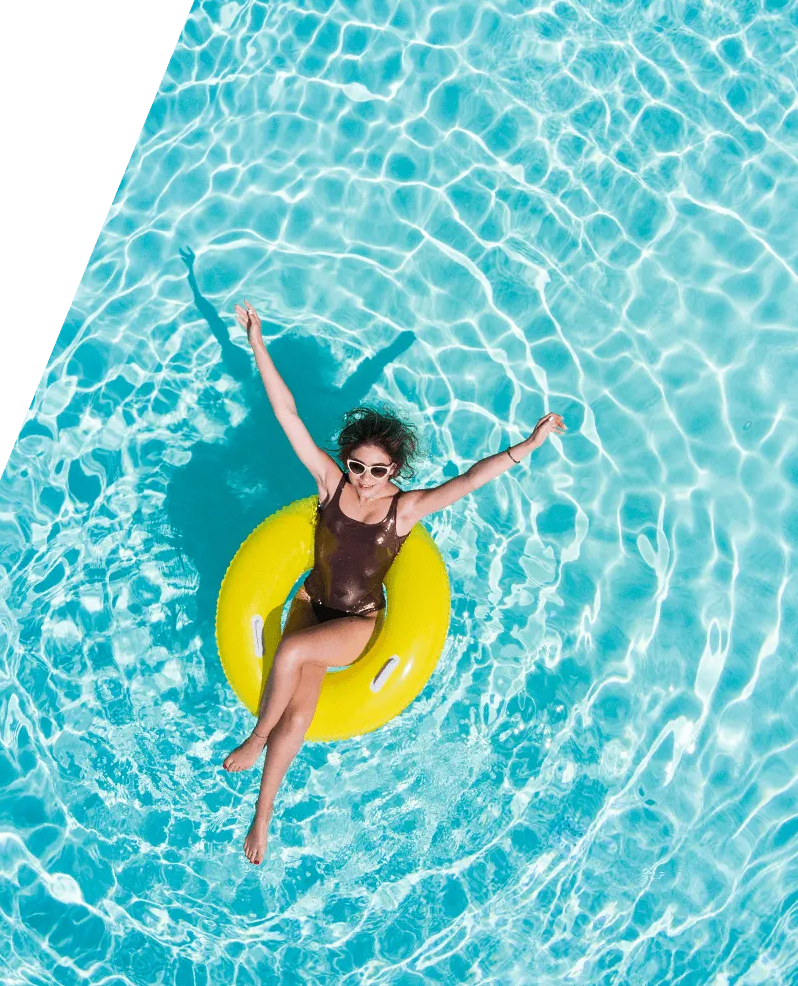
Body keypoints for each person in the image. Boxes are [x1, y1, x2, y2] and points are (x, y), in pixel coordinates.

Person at [221, 300, 567, 865]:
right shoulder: (330, 486)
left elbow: (469, 479)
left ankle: (255, 739)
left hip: (356, 622)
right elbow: (288, 416)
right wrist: (258, 343)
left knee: (290, 652)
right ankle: (262, 819)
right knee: (301, 716)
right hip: (311, 601)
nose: (363, 479)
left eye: (377, 471)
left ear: (395, 474)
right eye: (356, 466)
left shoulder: (403, 511)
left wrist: (527, 447)